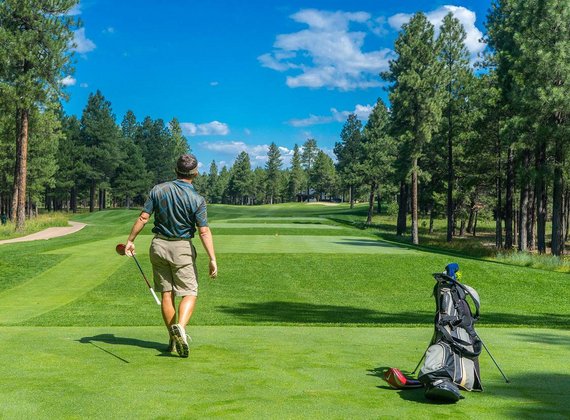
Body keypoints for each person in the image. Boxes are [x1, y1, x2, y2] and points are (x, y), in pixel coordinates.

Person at [125, 154, 217, 358]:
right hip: (181, 247)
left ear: (176, 170)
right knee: (190, 292)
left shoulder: (158, 190)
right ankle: (181, 329)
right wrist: (212, 258)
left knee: (167, 294)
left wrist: (131, 240)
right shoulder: (198, 199)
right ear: (195, 173)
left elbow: (143, 217)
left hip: (158, 246)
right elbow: (203, 231)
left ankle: (173, 340)